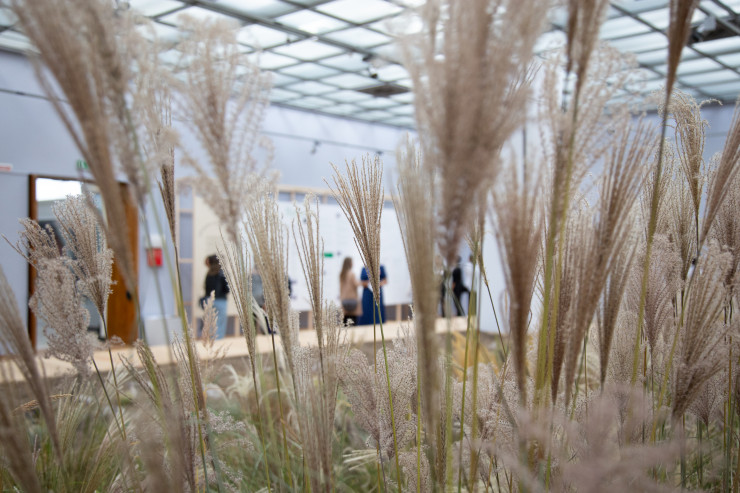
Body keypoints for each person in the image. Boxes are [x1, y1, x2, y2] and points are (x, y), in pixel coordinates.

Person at [203, 254, 230, 339]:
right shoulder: (222, 274)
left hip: (209, 300)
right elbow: (227, 289)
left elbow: (206, 288)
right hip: (221, 301)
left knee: (211, 321)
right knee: (220, 323)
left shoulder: (209, 274)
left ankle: (211, 340)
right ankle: (218, 340)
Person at [339, 257, 361, 325]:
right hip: (352, 298)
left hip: (344, 299)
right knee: (353, 320)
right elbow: (356, 284)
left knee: (345, 320)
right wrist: (364, 283)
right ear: (349, 263)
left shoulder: (342, 274)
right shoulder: (351, 274)